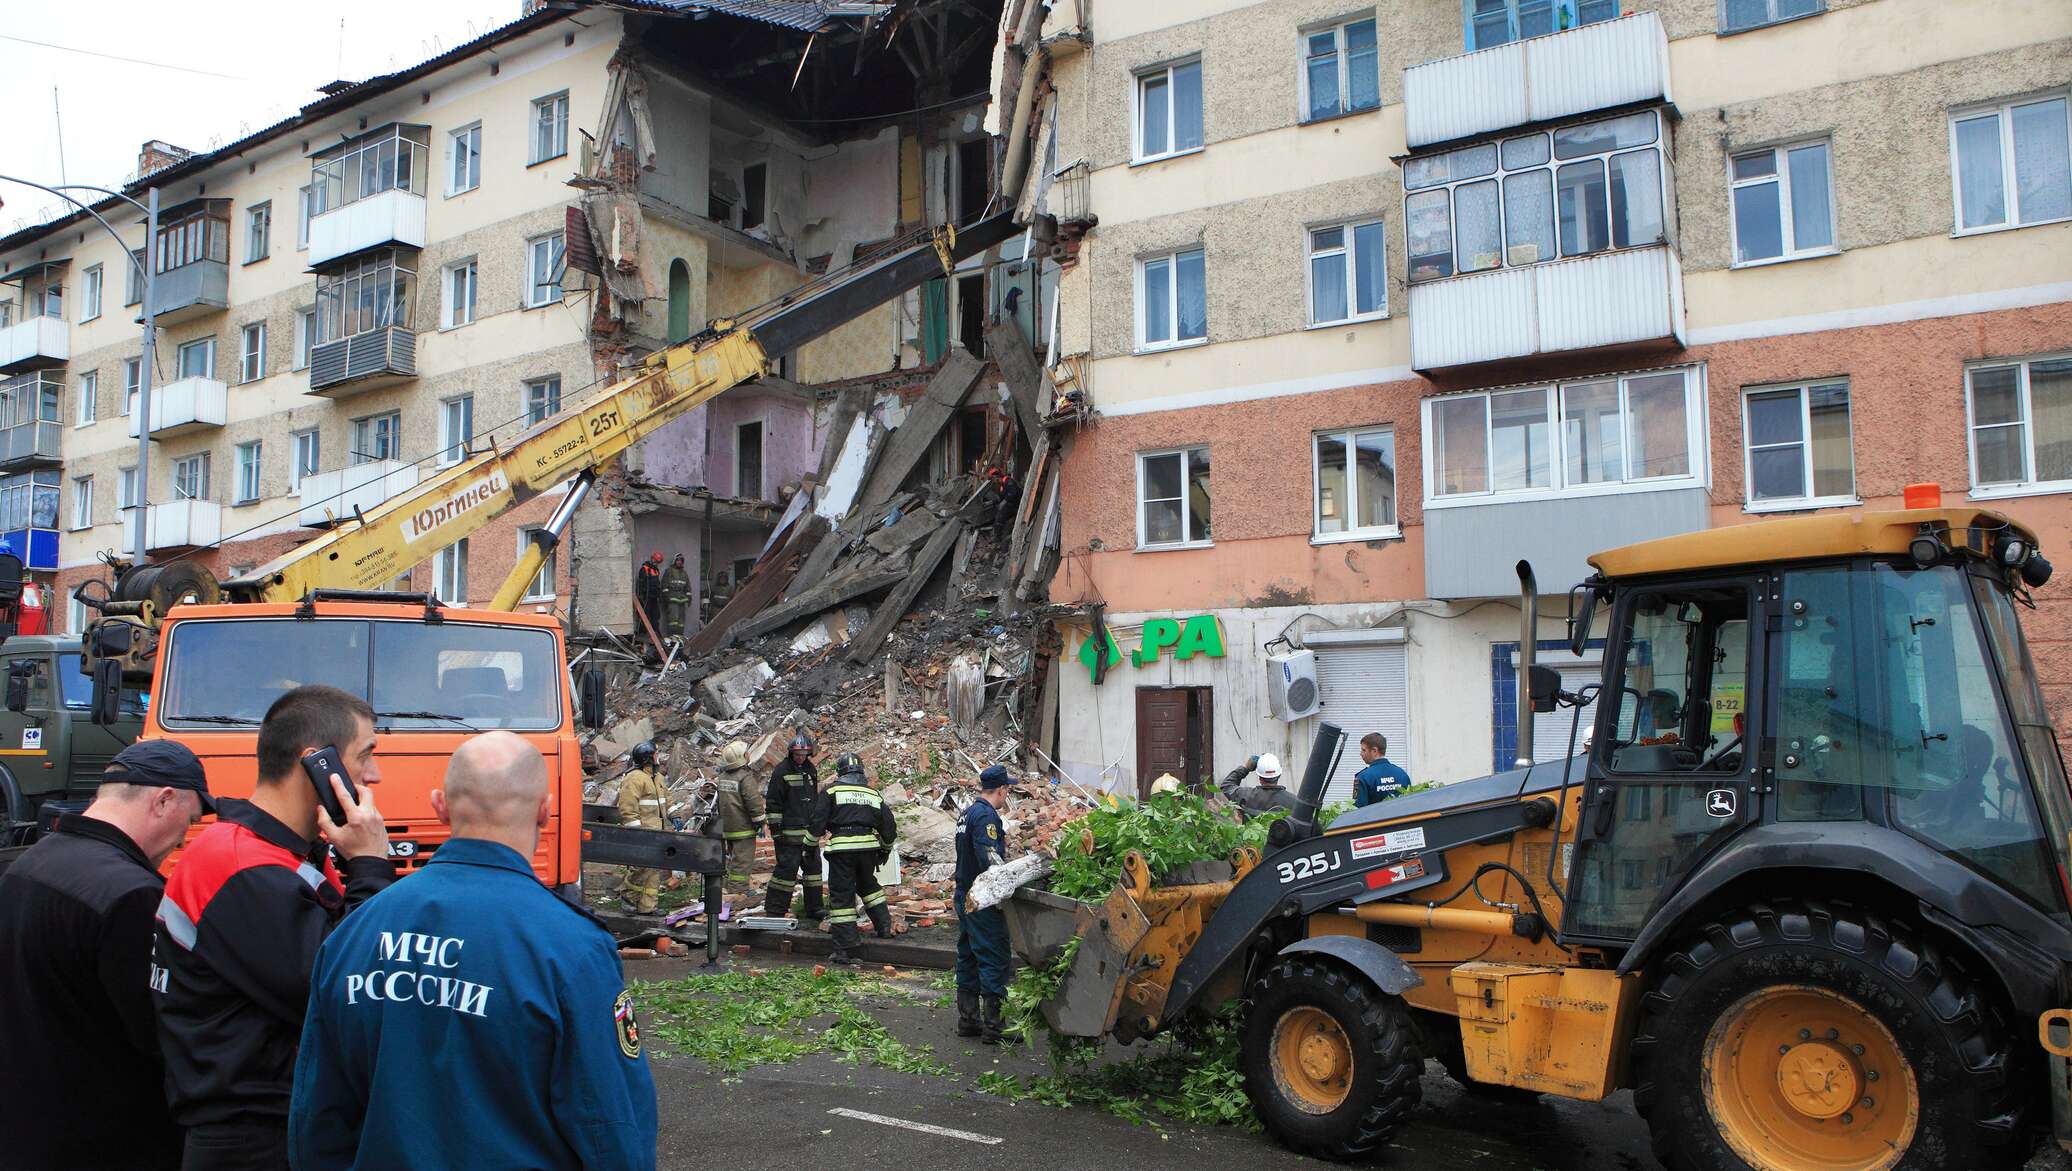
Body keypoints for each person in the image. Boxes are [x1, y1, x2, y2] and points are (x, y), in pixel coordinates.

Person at [289, 732, 657, 1171]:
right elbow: (611, 1127)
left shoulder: (355, 933)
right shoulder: (572, 948)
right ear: (544, 810)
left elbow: (316, 1117)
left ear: (439, 806)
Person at [155, 684, 393, 1171]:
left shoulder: (281, 856)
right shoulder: (241, 865)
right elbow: (345, 985)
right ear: (316, 763)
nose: (375, 775)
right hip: (251, 1138)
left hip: (272, 1123)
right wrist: (370, 864)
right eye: (365, 755)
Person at [0, 742, 214, 1171]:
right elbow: (160, 1033)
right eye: (188, 821)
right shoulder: (131, 893)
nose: (179, 840)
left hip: (28, 1122)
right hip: (104, 1136)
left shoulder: (31, 862)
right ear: (164, 799)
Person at [813, 753, 896, 965]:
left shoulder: (831, 791)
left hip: (842, 850)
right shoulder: (873, 795)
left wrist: (807, 845)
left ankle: (845, 947)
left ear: (840, 772)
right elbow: (888, 827)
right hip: (868, 849)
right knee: (869, 886)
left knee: (841, 897)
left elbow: (817, 823)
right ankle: (884, 926)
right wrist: (885, 849)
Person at [954, 765, 1014, 1044]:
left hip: (963, 892)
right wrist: (1005, 886)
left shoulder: (966, 813)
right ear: (1001, 790)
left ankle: (968, 1019)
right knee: (993, 955)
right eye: (1007, 791)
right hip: (981, 897)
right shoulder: (987, 816)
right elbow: (988, 855)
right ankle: (995, 1025)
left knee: (968, 953)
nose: (1007, 796)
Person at [761, 734, 825, 923]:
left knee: (813, 873)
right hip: (788, 836)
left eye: (804, 754)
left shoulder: (810, 770)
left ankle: (815, 908)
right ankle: (775, 910)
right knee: (785, 874)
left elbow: (813, 800)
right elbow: (773, 803)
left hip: (809, 835)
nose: (800, 757)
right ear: (791, 752)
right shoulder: (782, 771)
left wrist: (817, 826)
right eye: (797, 754)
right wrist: (777, 831)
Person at [615, 741, 668, 915]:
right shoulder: (634, 778)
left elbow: (667, 800)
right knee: (641, 868)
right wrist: (637, 832)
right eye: (655, 754)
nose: (658, 757)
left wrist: (674, 817)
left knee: (654, 871)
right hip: (644, 832)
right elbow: (627, 808)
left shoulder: (658, 777)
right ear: (647, 758)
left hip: (658, 831)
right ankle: (627, 897)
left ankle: (647, 907)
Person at [713, 739, 765, 917]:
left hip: (728, 827)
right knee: (743, 861)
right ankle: (738, 892)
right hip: (743, 827)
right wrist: (760, 821)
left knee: (733, 859)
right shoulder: (744, 777)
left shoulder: (723, 777)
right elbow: (753, 802)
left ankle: (729, 887)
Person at [1218, 752, 1297, 819]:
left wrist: (1246, 768)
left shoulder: (1245, 796)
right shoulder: (1294, 802)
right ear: (1279, 775)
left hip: (1250, 838)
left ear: (1259, 777)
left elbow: (1226, 785)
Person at [1353, 733, 1413, 808]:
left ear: (1374, 750)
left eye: (1363, 750)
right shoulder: (1402, 774)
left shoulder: (1362, 777)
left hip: (1374, 819)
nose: (1360, 754)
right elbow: (1410, 804)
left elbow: (1357, 810)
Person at [633, 552, 664, 641]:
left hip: (654, 597)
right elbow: (641, 584)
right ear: (652, 559)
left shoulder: (656, 570)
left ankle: (655, 632)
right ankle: (643, 633)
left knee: (656, 615)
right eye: (655, 561)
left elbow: (657, 584)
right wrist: (641, 597)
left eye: (658, 562)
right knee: (645, 616)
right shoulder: (644, 569)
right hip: (646, 597)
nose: (656, 563)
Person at [661, 554, 692, 638]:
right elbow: (664, 585)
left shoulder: (684, 573)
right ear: (674, 561)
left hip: (682, 601)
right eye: (678, 560)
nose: (679, 562)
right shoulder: (669, 571)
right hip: (672, 601)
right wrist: (666, 597)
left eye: (681, 561)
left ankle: (680, 637)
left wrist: (689, 598)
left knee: (681, 622)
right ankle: (672, 637)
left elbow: (688, 587)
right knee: (673, 621)